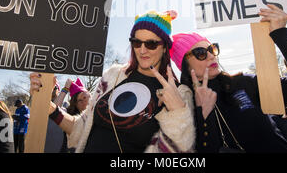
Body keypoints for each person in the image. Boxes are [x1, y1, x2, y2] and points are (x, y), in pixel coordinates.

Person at [30, 10, 195, 153]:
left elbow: (179, 149)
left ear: (165, 46)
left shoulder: (179, 92)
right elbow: (81, 128)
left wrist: (177, 113)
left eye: (151, 44)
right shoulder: (113, 75)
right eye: (137, 42)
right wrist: (48, 106)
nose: (142, 50)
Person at [170, 4, 287, 153]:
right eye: (200, 53)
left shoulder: (243, 83)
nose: (211, 55)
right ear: (185, 65)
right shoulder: (182, 104)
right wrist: (204, 113)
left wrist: (281, 37)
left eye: (212, 49)